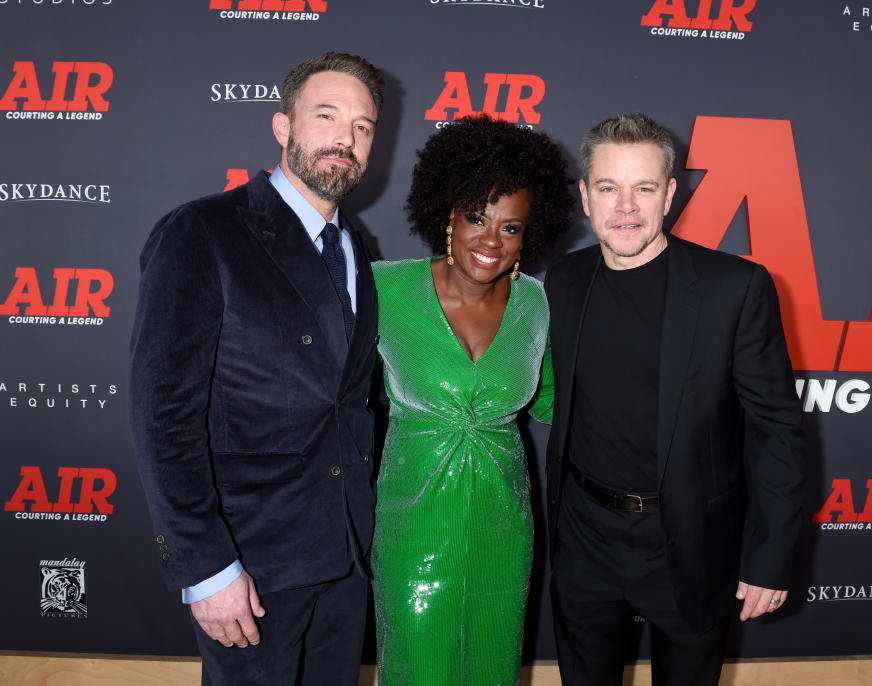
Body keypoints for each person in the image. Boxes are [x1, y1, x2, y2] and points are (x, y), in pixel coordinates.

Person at [129, 53, 384, 686]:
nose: (345, 139)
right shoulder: (203, 232)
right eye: (326, 117)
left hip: (346, 557)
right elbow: (162, 416)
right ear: (282, 126)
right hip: (249, 566)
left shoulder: (358, 248)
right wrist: (207, 568)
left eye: (362, 126)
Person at [544, 113, 806, 685]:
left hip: (688, 543)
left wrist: (770, 557)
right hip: (585, 540)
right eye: (609, 188)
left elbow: (777, 431)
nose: (626, 207)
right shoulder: (561, 281)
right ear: (586, 196)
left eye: (644, 188)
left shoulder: (733, 289)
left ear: (670, 194)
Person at [371, 116, 573, 685]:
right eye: (477, 218)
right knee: (418, 667)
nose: (490, 241)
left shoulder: (537, 304)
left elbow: (556, 401)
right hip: (412, 523)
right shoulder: (384, 288)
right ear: (448, 216)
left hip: (502, 527)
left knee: (490, 666)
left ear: (527, 236)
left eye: (510, 228)